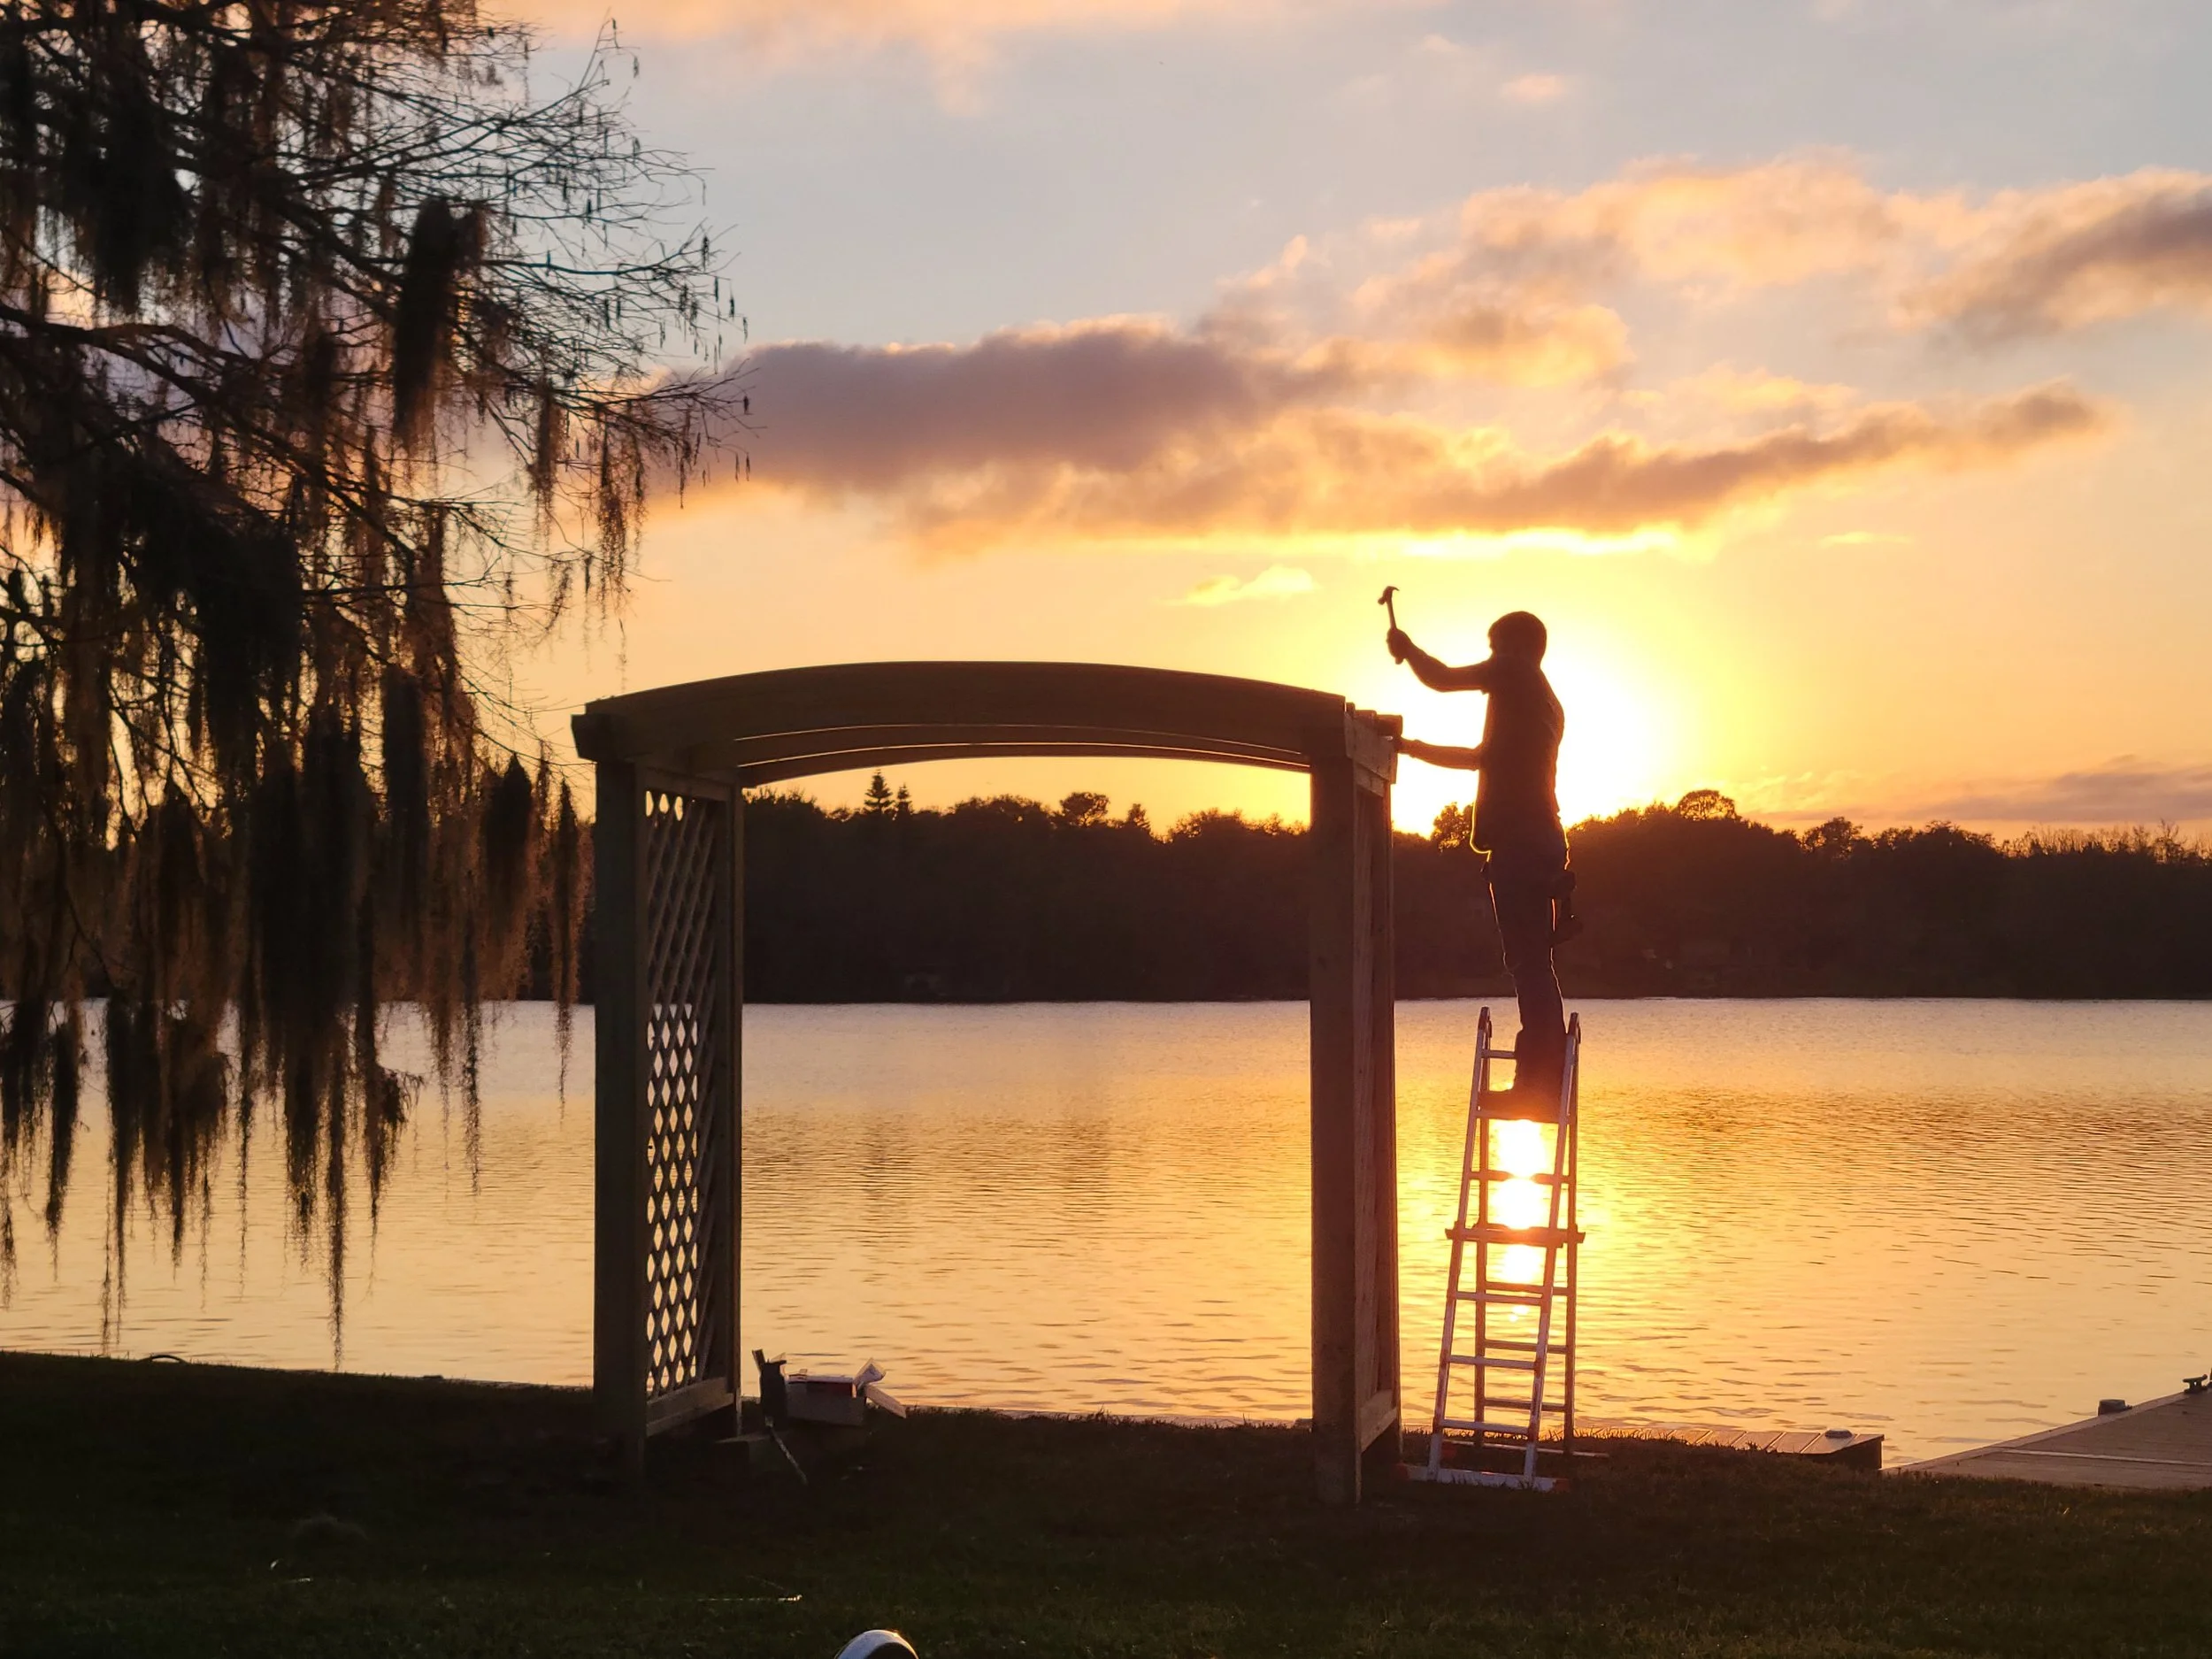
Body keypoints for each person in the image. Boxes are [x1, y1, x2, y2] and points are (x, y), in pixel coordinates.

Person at [1386, 611, 1577, 1098]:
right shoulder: (1543, 703)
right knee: (1533, 963)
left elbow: (1442, 679)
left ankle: (1539, 1080)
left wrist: (1408, 649)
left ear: (1518, 647)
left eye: (1495, 647)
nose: (1491, 658)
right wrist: (1411, 747)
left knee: (1527, 963)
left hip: (1521, 842)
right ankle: (1542, 1075)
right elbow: (1480, 758)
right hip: (1542, 839)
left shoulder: (1515, 673)